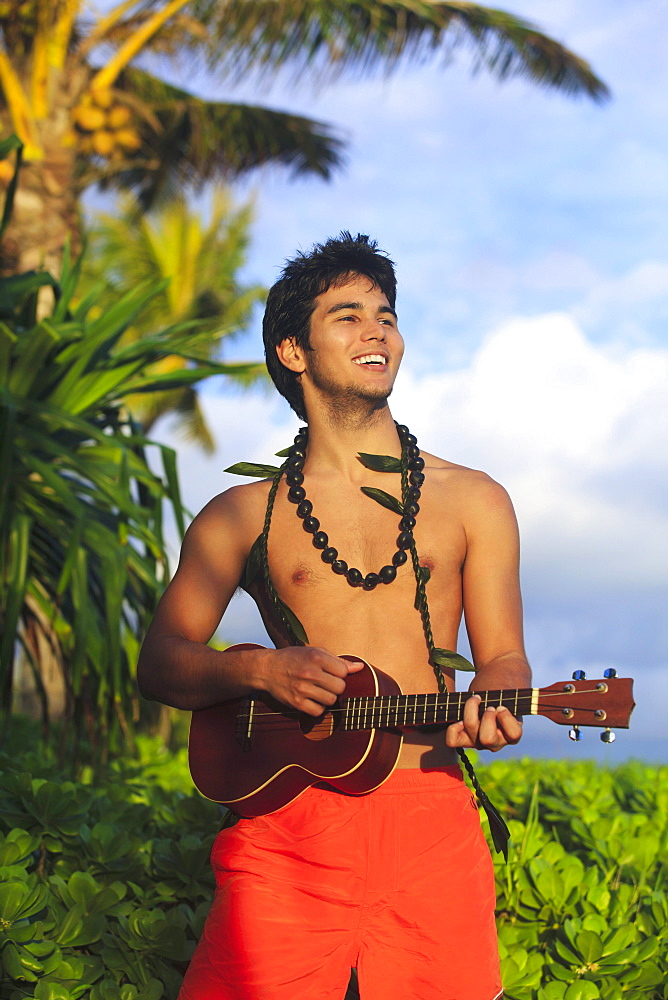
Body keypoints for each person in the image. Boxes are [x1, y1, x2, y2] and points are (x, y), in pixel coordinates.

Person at [137, 232, 530, 1000]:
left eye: (385, 314)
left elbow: (505, 658)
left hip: (431, 816)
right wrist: (258, 668)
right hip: (287, 825)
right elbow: (161, 660)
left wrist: (501, 692)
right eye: (347, 316)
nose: (376, 329)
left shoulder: (473, 500)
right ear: (292, 349)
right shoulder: (241, 515)